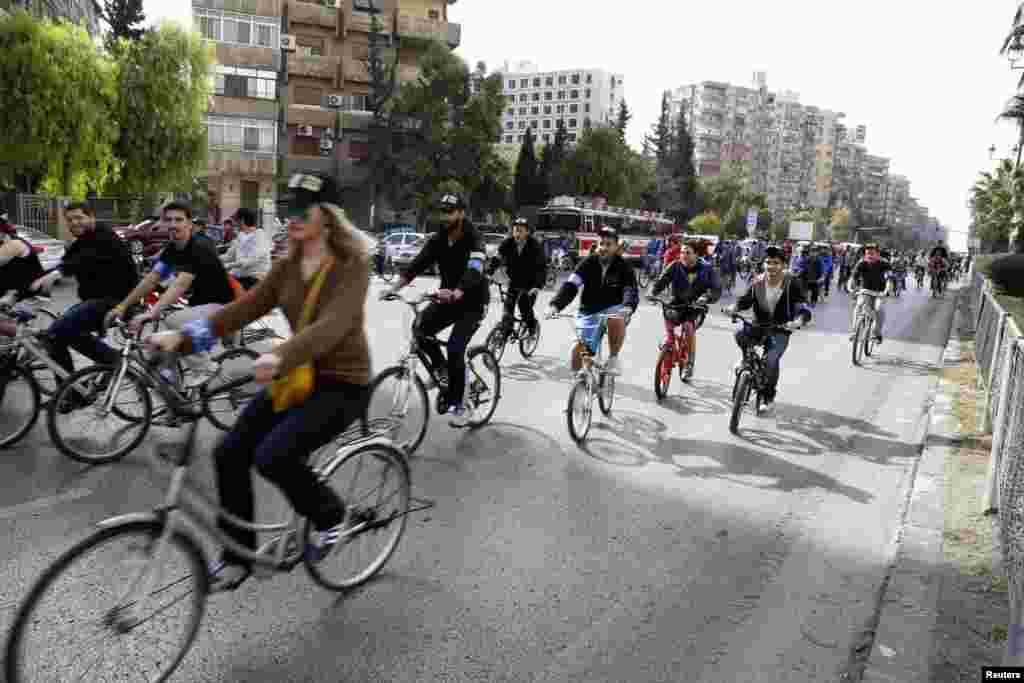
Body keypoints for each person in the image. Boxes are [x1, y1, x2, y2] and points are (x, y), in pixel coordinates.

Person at [146, 171, 375, 592]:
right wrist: (182, 338)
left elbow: (334, 324)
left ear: (327, 215)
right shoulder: (287, 265)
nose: (292, 217)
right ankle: (237, 556)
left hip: (343, 384)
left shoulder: (351, 264)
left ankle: (332, 518)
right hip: (298, 378)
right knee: (228, 451)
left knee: (273, 456)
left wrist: (279, 355)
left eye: (302, 209)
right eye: (288, 208)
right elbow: (242, 310)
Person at [383, 192, 489, 427]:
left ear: (461, 213)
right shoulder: (438, 238)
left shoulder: (474, 237)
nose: (445, 216)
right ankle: (443, 371)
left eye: (450, 211)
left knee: (454, 348)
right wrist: (393, 287)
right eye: (442, 211)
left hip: (472, 302)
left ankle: (458, 404)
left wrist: (458, 291)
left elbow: (475, 268)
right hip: (448, 299)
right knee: (420, 328)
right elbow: (416, 265)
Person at [108, 201, 236, 384]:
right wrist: (123, 306)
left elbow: (180, 285)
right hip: (199, 307)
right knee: (162, 352)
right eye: (169, 220)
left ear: (189, 224)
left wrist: (153, 312)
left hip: (222, 306)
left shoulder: (199, 246)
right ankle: (180, 404)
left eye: (179, 219)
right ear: (163, 223)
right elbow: (152, 279)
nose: (173, 224)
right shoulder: (172, 249)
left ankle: (206, 368)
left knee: (173, 320)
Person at [29, 201, 139, 373]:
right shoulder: (82, 241)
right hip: (96, 301)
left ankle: (113, 361)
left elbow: (84, 259)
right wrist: (27, 287)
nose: (74, 223)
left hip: (115, 302)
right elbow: (65, 262)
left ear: (91, 217)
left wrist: (57, 274)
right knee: (58, 337)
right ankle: (71, 392)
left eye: (79, 218)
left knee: (56, 332)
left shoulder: (104, 235)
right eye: (70, 220)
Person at [723, 246, 811, 411]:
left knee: (771, 360)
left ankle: (767, 395)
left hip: (780, 329)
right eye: (768, 262)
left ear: (783, 266)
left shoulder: (792, 283)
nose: (771, 266)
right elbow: (745, 300)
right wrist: (733, 307)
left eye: (776, 263)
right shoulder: (757, 281)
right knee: (740, 335)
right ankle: (746, 360)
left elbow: (803, 307)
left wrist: (798, 320)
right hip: (759, 325)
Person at [546, 227, 638, 376]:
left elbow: (630, 289)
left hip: (613, 308)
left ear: (616, 247)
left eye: (609, 244)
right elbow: (571, 285)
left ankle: (613, 358)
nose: (604, 247)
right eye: (602, 243)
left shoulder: (624, 266)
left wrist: (628, 306)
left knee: (616, 318)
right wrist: (555, 305)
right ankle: (579, 384)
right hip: (588, 311)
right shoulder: (588, 262)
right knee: (578, 352)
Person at [649, 240, 722, 381]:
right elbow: (662, 280)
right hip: (676, 303)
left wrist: (706, 298)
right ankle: (669, 342)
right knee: (668, 315)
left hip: (696, 307)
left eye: (687, 253)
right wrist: (653, 292)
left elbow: (716, 289)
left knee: (688, 327)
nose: (683, 255)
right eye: (682, 252)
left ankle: (689, 363)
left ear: (696, 254)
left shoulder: (707, 269)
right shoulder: (675, 266)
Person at [488, 217, 546, 337]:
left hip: (531, 284)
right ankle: (506, 330)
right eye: (515, 230)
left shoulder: (535, 245)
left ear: (527, 232)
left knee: (524, 307)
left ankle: (532, 326)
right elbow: (497, 259)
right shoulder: (508, 242)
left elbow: (541, 267)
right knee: (508, 307)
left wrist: (538, 286)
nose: (517, 233)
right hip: (514, 281)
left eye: (520, 230)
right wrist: (489, 273)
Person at [848, 243, 891, 344]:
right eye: (867, 253)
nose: (870, 256)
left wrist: (886, 291)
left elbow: (889, 279)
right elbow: (853, 277)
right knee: (858, 306)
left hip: (879, 292)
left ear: (878, 254)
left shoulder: (884, 264)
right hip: (865, 291)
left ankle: (876, 334)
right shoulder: (862, 263)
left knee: (879, 309)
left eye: (872, 253)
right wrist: (850, 287)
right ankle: (854, 332)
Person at [221, 207, 271, 290]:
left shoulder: (260, 236)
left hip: (255, 277)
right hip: (239, 276)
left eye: (236, 220)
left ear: (242, 220)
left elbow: (251, 260)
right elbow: (229, 256)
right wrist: (213, 258)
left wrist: (229, 265)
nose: (234, 223)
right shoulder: (240, 236)